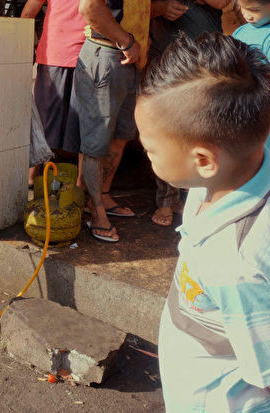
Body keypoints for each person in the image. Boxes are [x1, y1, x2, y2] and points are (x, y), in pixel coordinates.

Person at [137, 32, 270, 412]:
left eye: (150, 149)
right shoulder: (233, 172)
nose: (147, 155)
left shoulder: (235, 263)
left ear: (204, 161)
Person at [69, 0, 152, 242]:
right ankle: (96, 211)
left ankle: (101, 197)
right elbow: (89, 7)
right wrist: (127, 42)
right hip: (106, 55)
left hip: (130, 60)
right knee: (96, 142)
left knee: (122, 134)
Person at [148, 0, 226, 226]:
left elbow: (223, 2)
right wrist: (161, 8)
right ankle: (167, 200)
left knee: (202, 131)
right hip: (168, 59)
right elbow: (137, 10)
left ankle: (195, 198)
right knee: (168, 129)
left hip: (207, 60)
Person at [21, 0, 85, 188]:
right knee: (85, 123)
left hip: (54, 52)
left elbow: (28, 13)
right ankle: (81, 184)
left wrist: (24, 49)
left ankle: (31, 176)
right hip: (87, 54)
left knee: (43, 119)